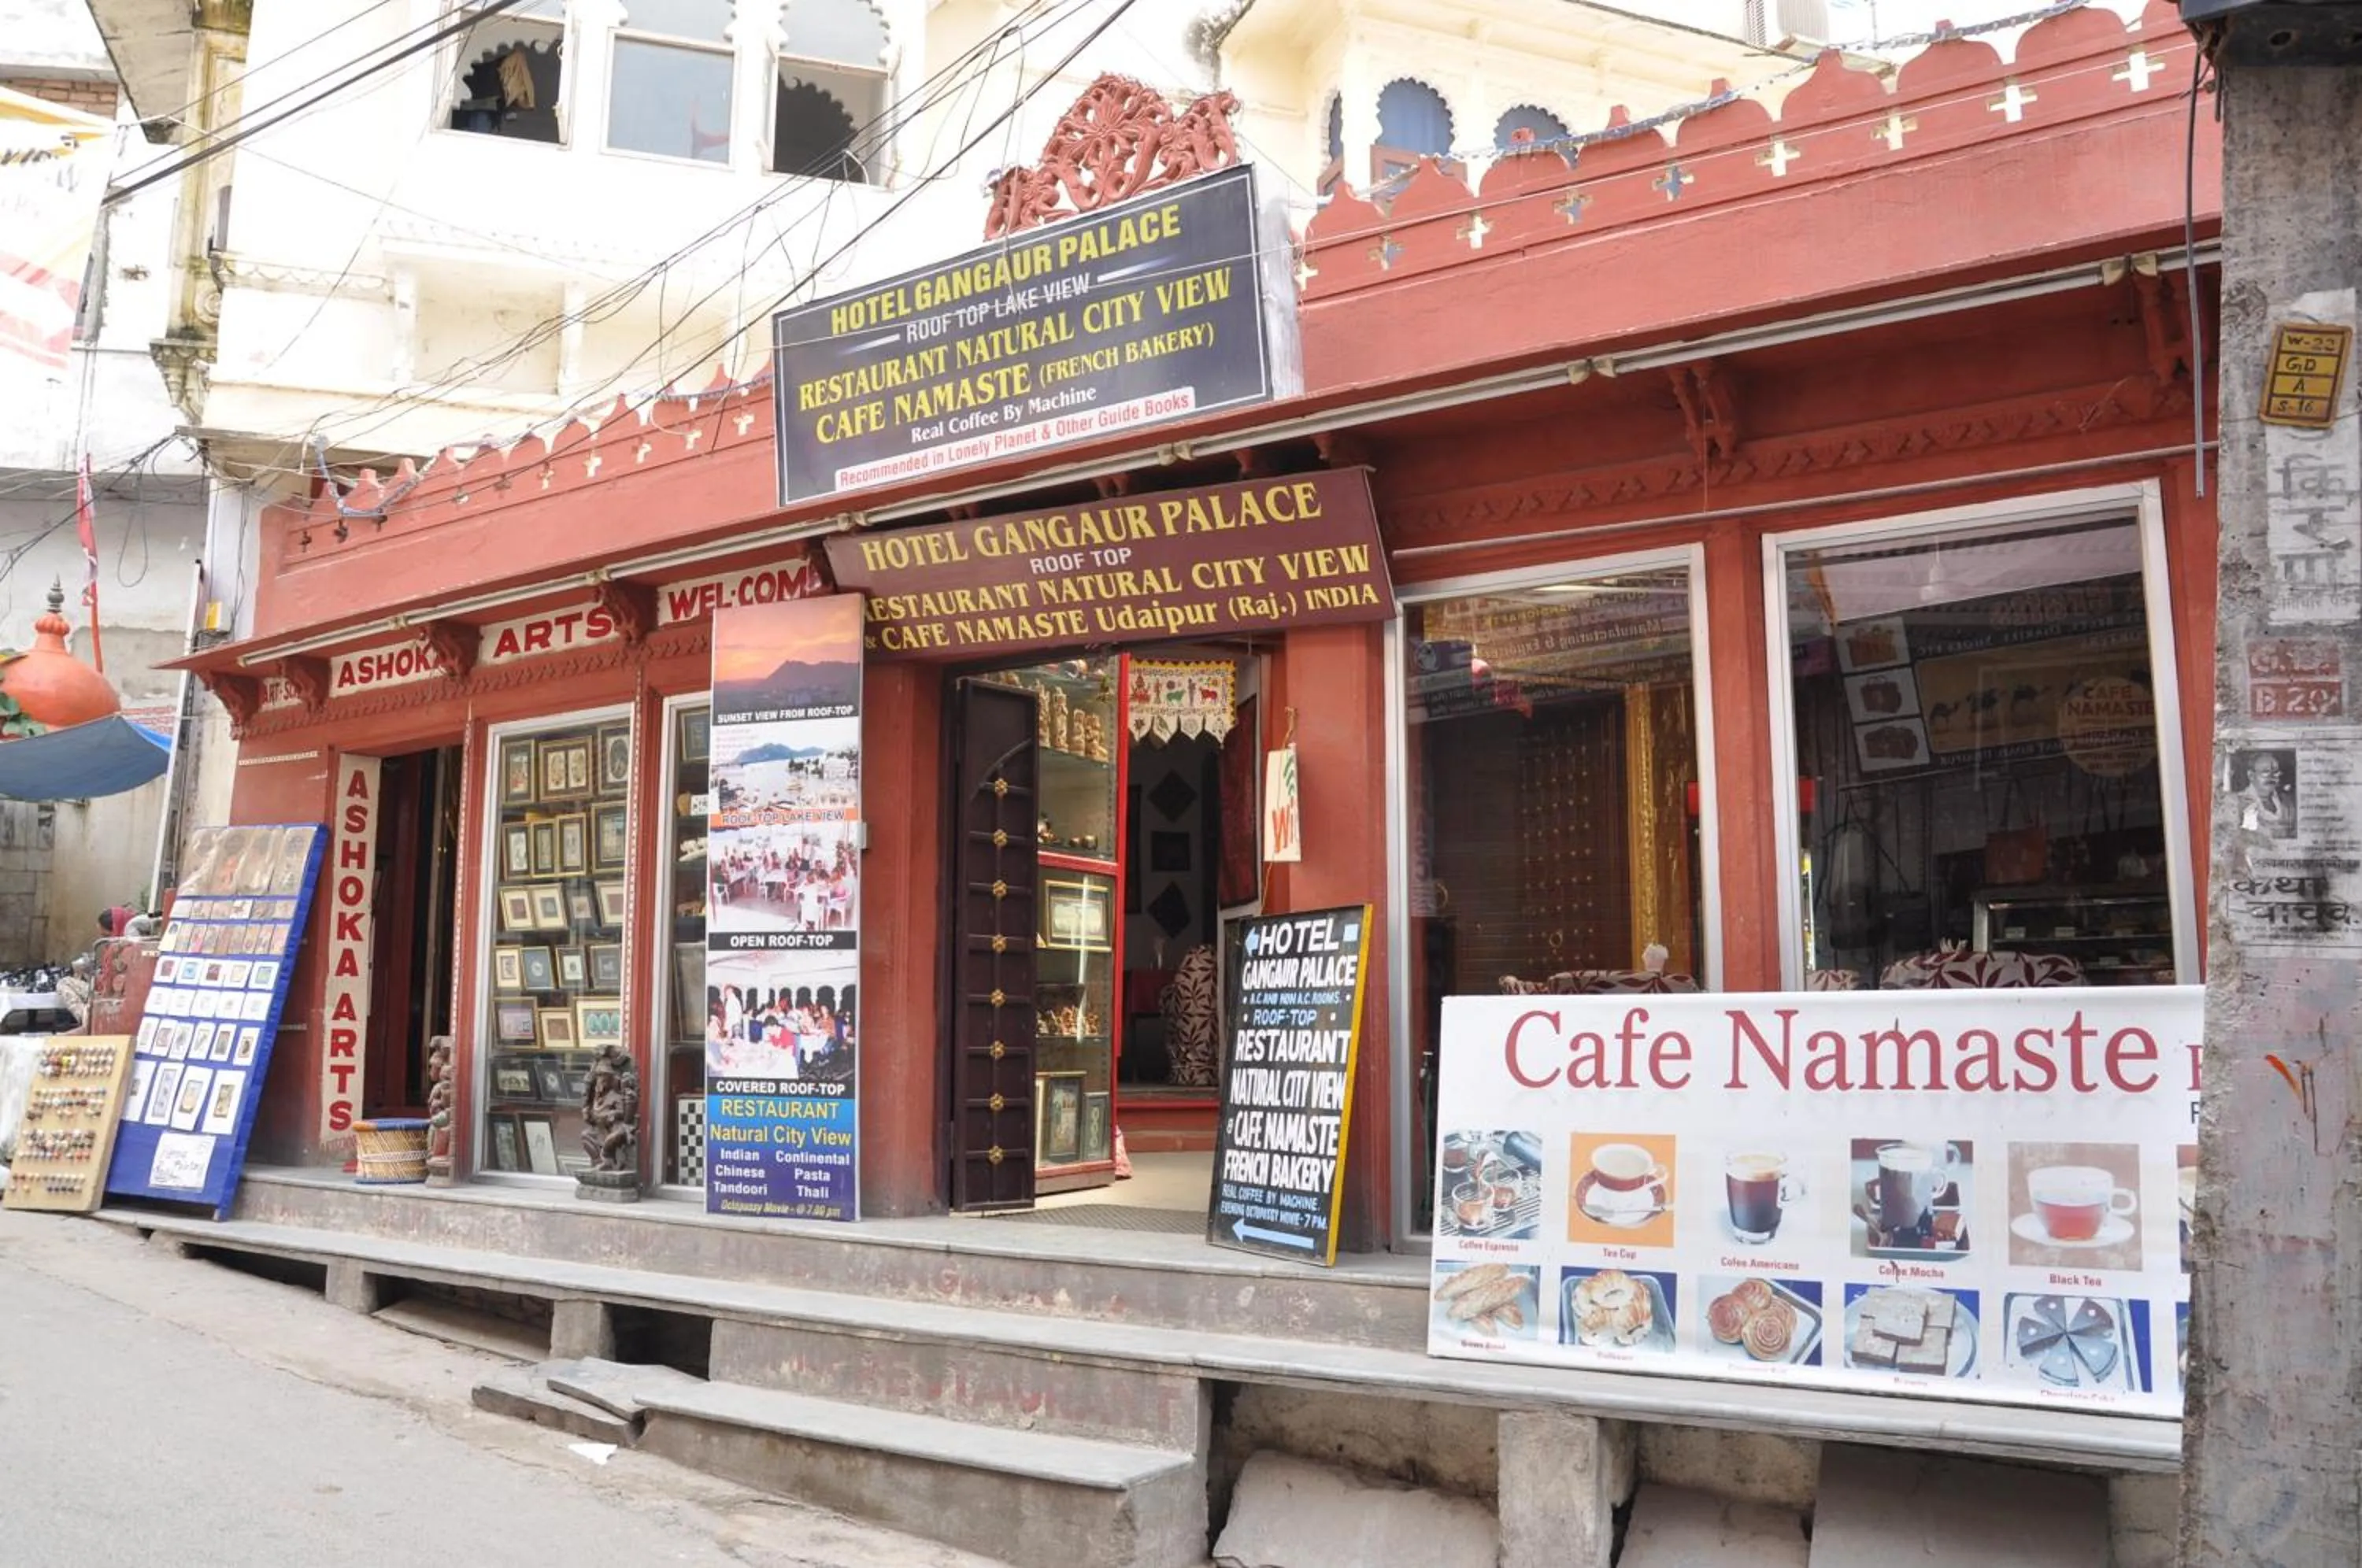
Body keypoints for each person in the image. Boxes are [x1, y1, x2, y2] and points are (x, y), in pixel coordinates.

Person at [2238, 752, 2297, 841]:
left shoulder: (2288, 804)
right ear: (2251, 776)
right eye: (2265, 772)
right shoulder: (2238, 803)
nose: (2272, 777)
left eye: (2276, 772)